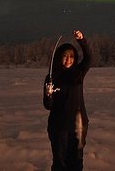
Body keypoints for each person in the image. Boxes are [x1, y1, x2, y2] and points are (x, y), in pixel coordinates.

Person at [43, 30, 92, 171]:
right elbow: (48, 105)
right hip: (58, 126)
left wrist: (82, 40)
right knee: (60, 162)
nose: (68, 59)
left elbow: (89, 58)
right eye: (65, 56)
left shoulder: (78, 73)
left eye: (71, 56)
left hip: (78, 124)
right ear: (59, 57)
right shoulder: (52, 77)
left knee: (76, 161)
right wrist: (48, 94)